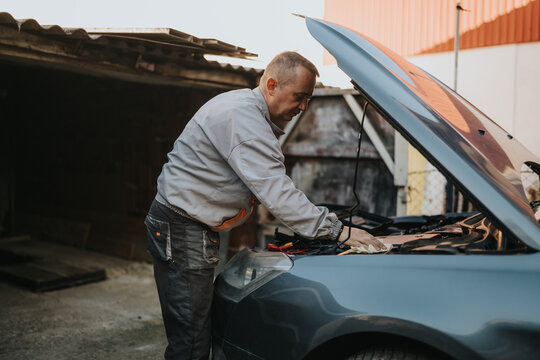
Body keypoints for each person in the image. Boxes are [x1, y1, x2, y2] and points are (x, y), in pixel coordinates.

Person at [145, 51, 386, 360]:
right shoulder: (242, 118)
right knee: (190, 340)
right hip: (182, 228)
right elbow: (276, 191)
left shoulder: (245, 110)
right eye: (300, 96)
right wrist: (337, 232)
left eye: (309, 99)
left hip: (181, 223)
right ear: (272, 85)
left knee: (194, 326)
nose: (303, 107)